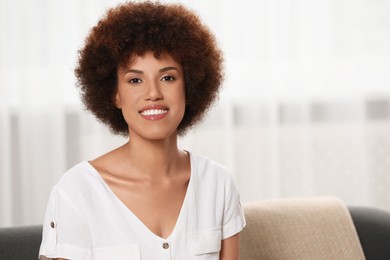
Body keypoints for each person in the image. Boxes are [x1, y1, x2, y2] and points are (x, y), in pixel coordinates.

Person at [39, 1, 246, 259]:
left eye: (168, 77)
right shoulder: (76, 192)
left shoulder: (219, 184)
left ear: (189, 86)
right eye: (135, 80)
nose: (153, 93)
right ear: (115, 94)